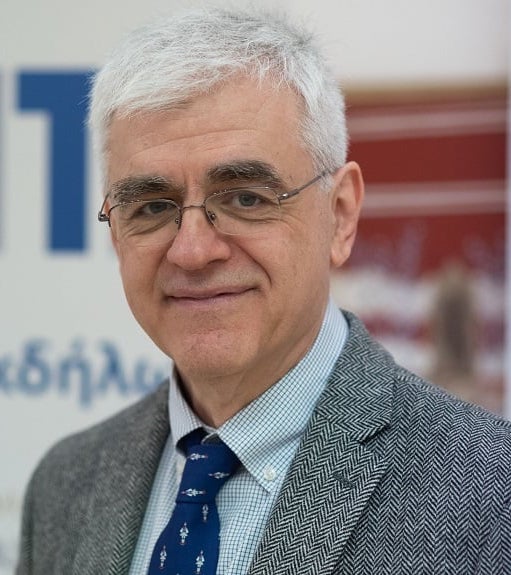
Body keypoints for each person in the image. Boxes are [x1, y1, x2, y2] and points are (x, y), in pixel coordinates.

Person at [16, 7, 511, 575]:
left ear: (340, 215)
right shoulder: (64, 487)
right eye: (151, 207)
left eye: (245, 198)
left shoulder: (490, 492)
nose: (192, 251)